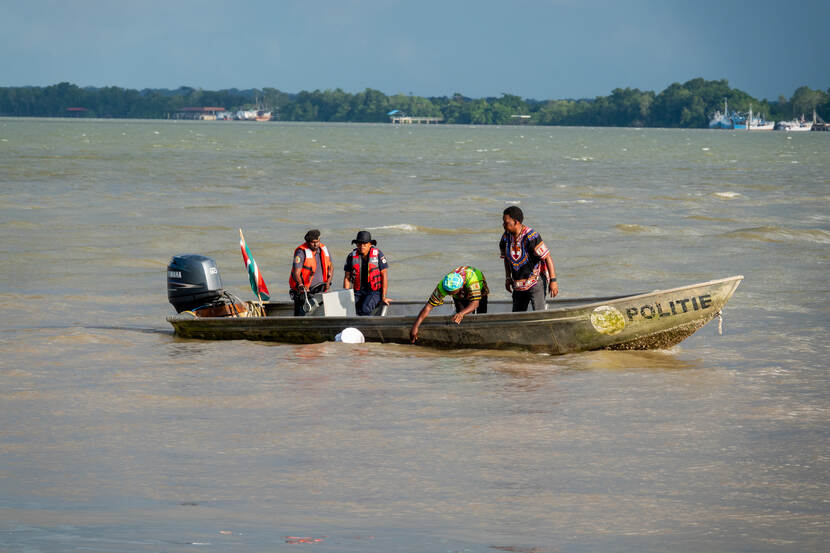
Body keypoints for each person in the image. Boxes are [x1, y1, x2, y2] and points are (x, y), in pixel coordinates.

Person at [500, 206, 558, 312]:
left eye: (506, 222)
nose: (503, 225)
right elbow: (507, 259)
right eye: (503, 222)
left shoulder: (531, 237)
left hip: (535, 281)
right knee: (517, 315)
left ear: (516, 222)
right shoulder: (505, 238)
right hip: (518, 285)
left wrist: (553, 281)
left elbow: (547, 257)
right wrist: (508, 278)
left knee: (539, 314)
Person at [410, 266, 488, 343]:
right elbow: (428, 307)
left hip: (478, 281)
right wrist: (415, 326)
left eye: (452, 293)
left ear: (460, 287)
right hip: (460, 289)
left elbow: (475, 304)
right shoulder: (443, 286)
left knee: (481, 313)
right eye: (448, 293)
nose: (450, 295)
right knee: (459, 314)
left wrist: (462, 313)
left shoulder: (472, 281)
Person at [343, 230, 391, 316]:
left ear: (370, 244)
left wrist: (384, 296)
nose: (362, 246)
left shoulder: (378, 255)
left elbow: (384, 275)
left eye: (364, 244)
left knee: (365, 308)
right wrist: (346, 295)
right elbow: (347, 277)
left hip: (374, 291)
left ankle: (365, 324)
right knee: (349, 307)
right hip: (358, 291)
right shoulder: (351, 256)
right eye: (359, 244)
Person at [289, 229, 333, 316]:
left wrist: (328, 282)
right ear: (308, 242)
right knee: (301, 316)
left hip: (321, 290)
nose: (316, 244)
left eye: (317, 242)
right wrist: (301, 285)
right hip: (305, 292)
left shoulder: (324, 249)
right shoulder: (301, 252)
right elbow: (296, 273)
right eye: (313, 242)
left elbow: (331, 267)